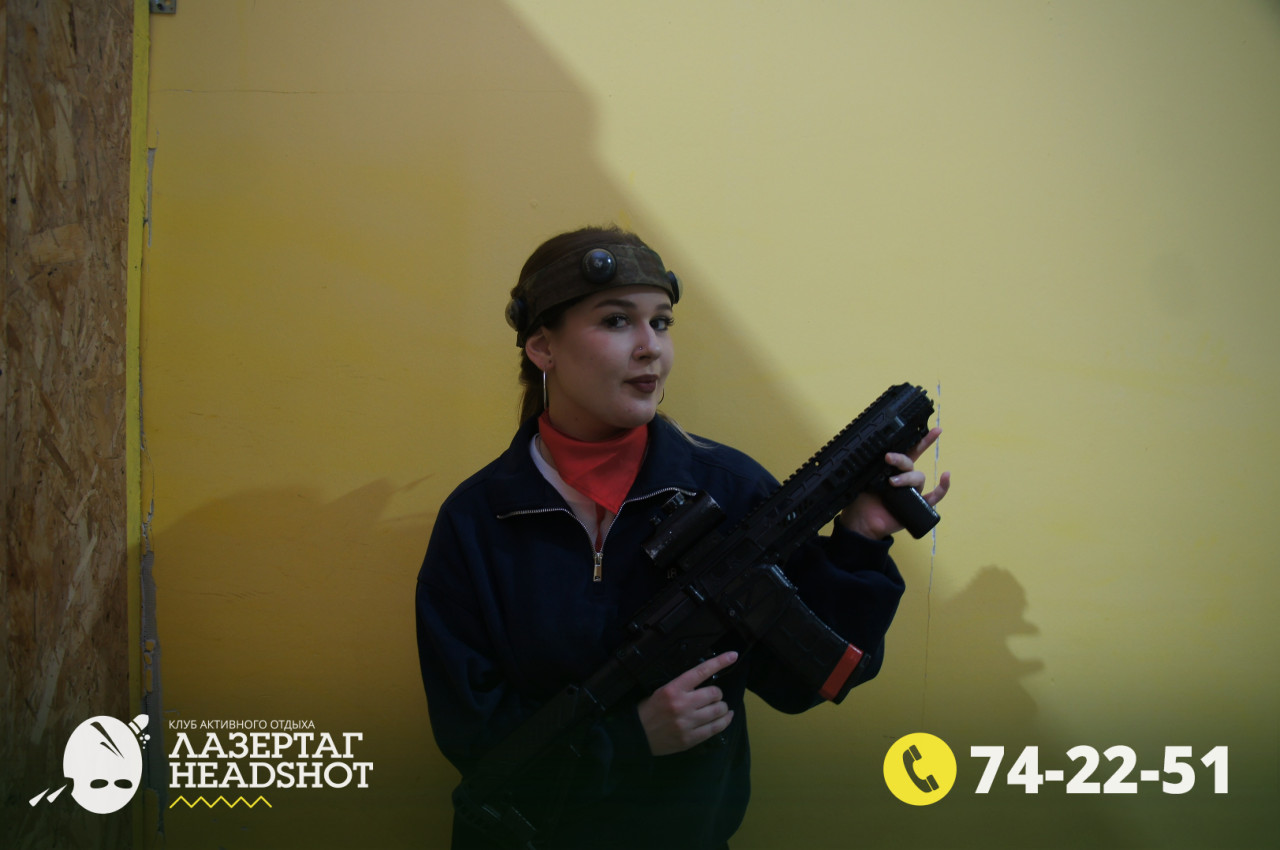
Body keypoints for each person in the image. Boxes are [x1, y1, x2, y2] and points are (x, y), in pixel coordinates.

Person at [415, 225, 950, 849]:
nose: (651, 348)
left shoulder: (732, 489)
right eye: (617, 321)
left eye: (662, 323)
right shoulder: (479, 520)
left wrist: (861, 538)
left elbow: (807, 681)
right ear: (542, 347)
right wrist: (632, 740)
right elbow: (472, 736)